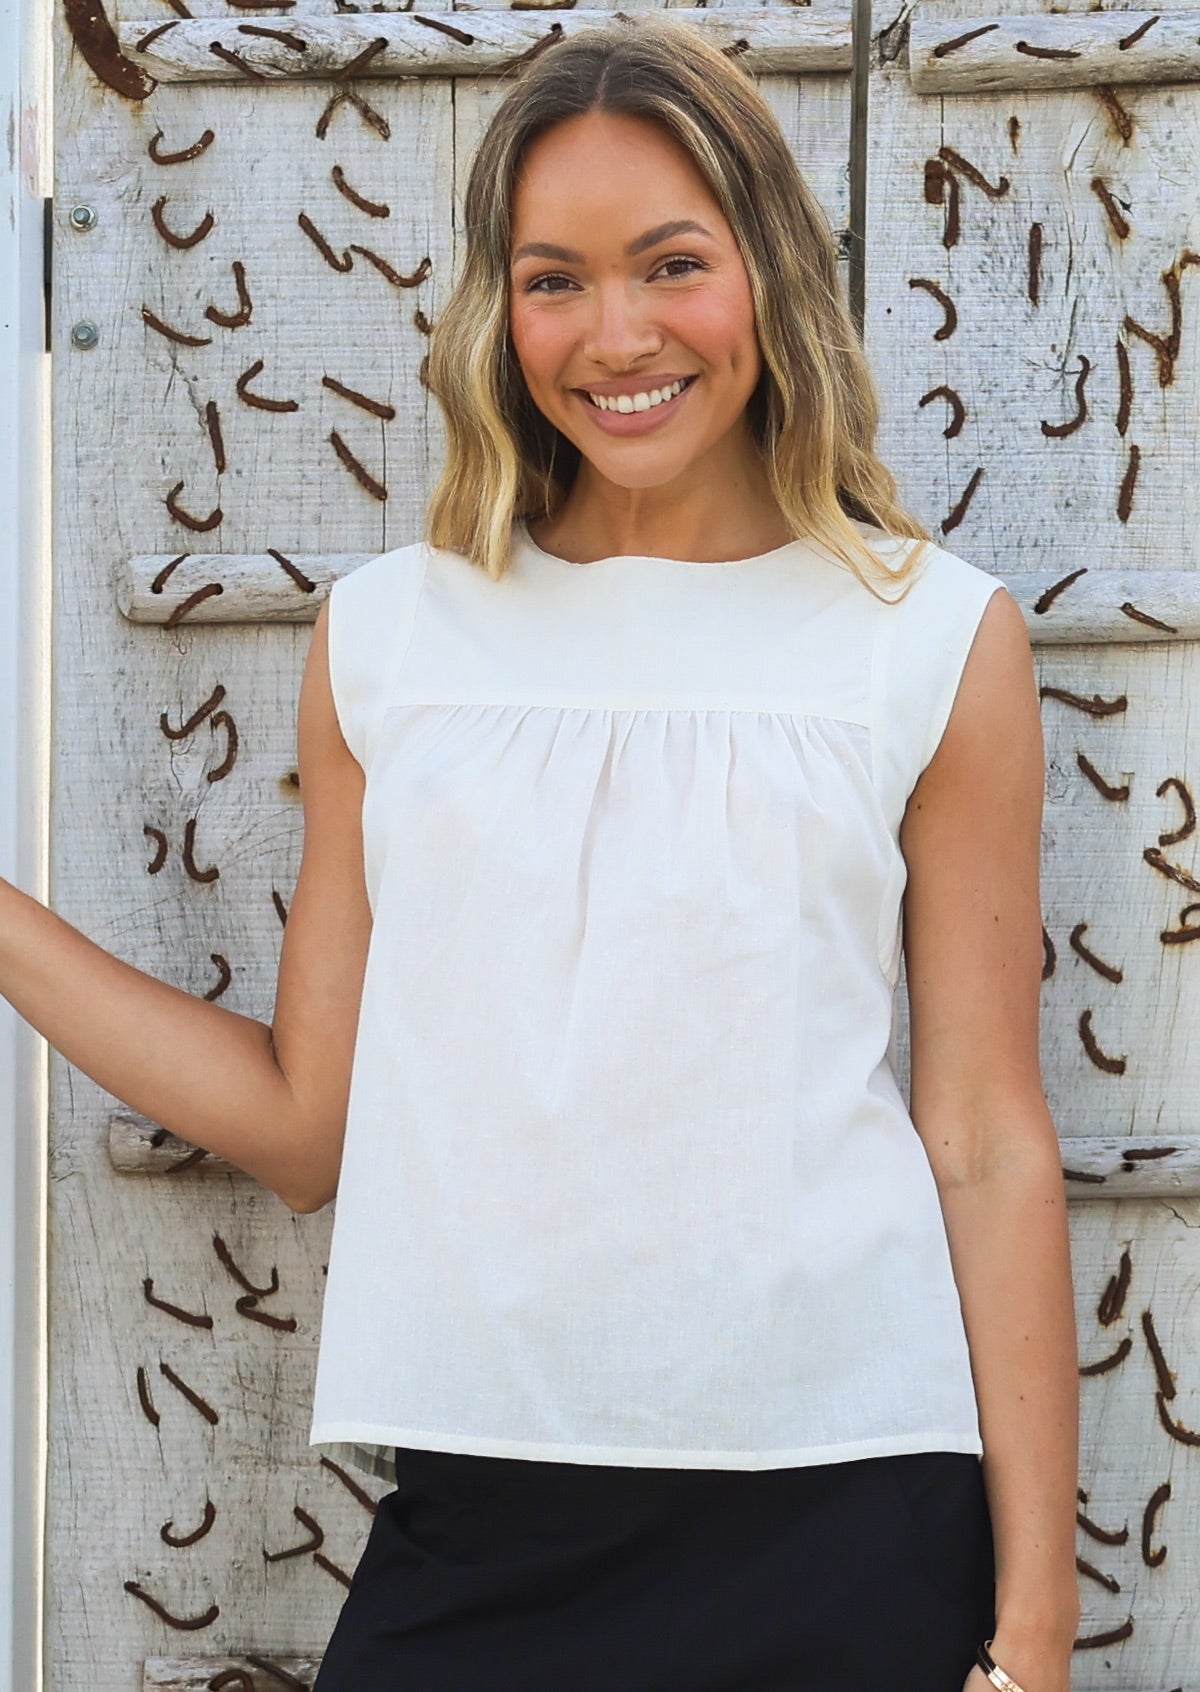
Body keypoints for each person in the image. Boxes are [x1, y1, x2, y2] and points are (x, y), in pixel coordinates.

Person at [0, 15, 1080, 1691]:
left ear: (771, 276)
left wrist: (1036, 1630)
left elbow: (988, 1139)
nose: (617, 333)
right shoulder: (390, 640)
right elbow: (304, 1126)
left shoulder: (930, 639)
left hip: (853, 1514)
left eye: (672, 264)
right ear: (499, 312)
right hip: (482, 1524)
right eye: (555, 277)